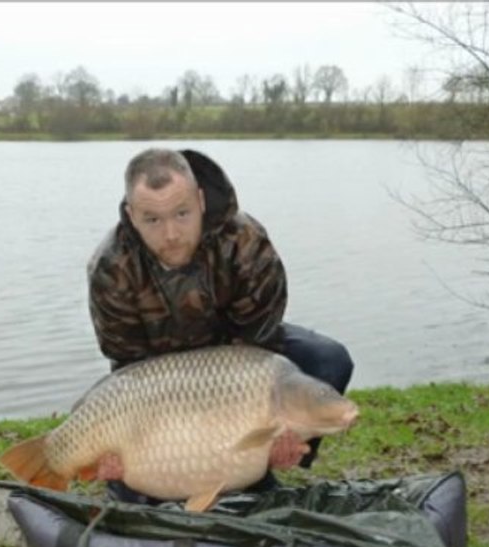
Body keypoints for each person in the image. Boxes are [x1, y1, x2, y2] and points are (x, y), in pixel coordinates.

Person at [87, 148, 353, 503]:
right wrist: (125, 447)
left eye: (182, 213)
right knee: (133, 484)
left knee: (327, 360)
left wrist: (267, 441)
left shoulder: (244, 242)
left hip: (237, 364)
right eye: (152, 220)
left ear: (200, 200)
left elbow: (261, 352)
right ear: (131, 215)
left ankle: (255, 469)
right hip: (159, 380)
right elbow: (129, 369)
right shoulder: (112, 267)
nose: (170, 234)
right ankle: (154, 477)